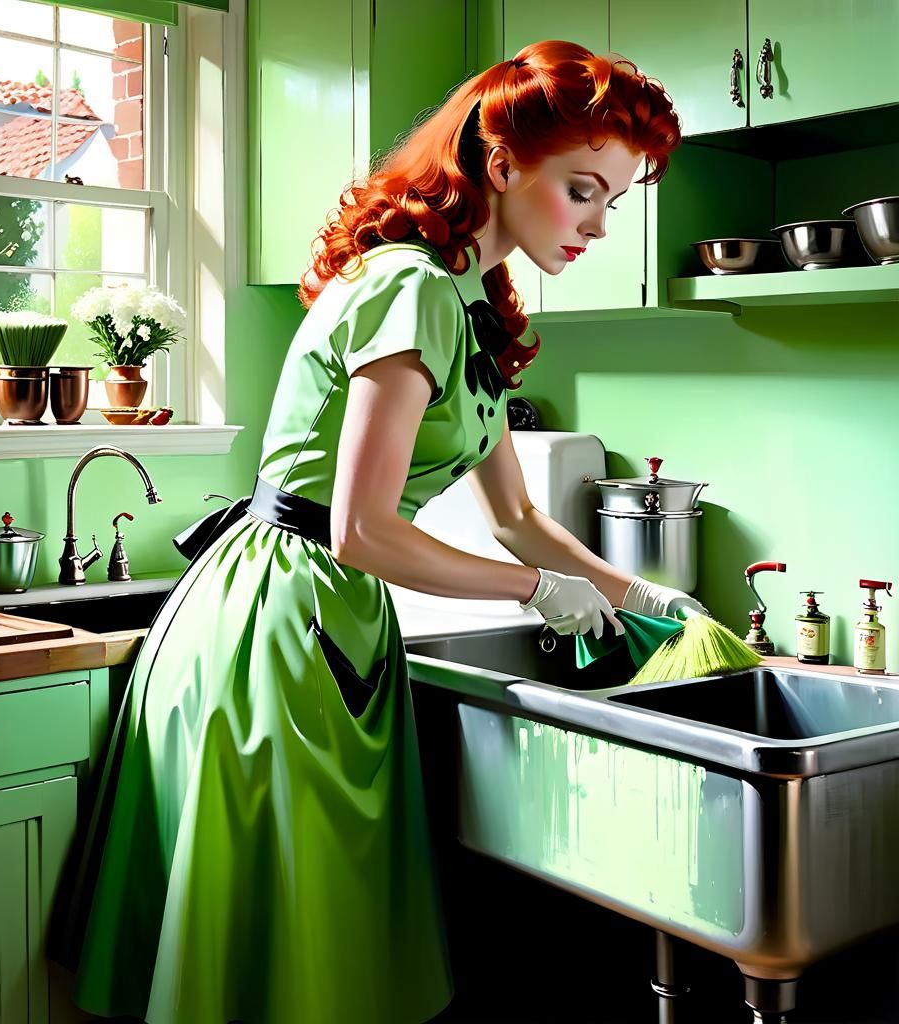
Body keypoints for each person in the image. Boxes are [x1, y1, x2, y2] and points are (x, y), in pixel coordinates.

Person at [62, 38, 701, 1024]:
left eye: (612, 200)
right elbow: (361, 529)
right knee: (292, 955)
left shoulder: (470, 306)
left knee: (322, 947)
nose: (598, 224)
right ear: (502, 166)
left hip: (332, 616)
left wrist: (645, 597)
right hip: (281, 615)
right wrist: (538, 592)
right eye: (583, 191)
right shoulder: (409, 286)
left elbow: (518, 518)